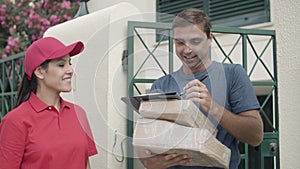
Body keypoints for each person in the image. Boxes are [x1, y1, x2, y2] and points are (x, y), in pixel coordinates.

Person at [139, 8, 263, 169]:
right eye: (180, 42)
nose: (187, 50)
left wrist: (212, 107)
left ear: (210, 38)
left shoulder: (232, 75)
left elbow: (256, 136)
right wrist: (152, 162)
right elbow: (146, 148)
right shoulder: (161, 85)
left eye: (195, 41)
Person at [0, 37, 98, 169]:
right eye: (61, 65)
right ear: (40, 71)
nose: (70, 70)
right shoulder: (15, 121)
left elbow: (86, 164)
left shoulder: (79, 113)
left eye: (70, 63)